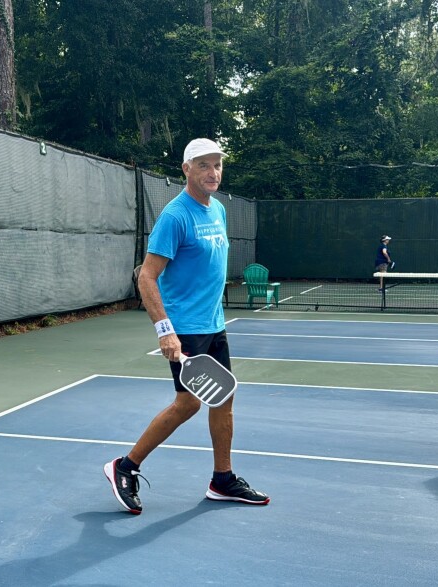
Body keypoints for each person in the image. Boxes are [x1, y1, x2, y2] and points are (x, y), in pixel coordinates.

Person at [104, 138, 269, 514]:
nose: (213, 173)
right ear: (187, 170)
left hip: (213, 323)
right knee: (188, 404)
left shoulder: (219, 211)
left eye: (217, 165)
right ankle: (124, 467)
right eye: (204, 166)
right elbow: (146, 277)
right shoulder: (175, 217)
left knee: (224, 397)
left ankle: (222, 479)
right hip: (186, 327)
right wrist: (165, 330)